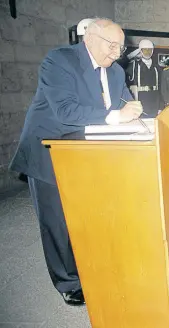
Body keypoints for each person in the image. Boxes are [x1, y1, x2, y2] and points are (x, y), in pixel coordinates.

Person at [9, 18, 143, 306]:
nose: (116, 53)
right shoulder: (60, 61)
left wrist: (135, 110)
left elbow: (123, 104)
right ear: (90, 38)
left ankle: (91, 267)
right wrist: (116, 116)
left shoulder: (116, 71)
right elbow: (66, 111)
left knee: (87, 217)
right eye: (112, 45)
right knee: (57, 221)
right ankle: (67, 281)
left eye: (120, 48)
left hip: (87, 155)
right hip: (49, 150)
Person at [126, 39, 160, 116]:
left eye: (150, 50)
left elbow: (160, 88)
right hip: (140, 103)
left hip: (154, 104)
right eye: (145, 50)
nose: (147, 52)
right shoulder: (133, 66)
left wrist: (160, 107)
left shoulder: (157, 67)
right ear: (140, 51)